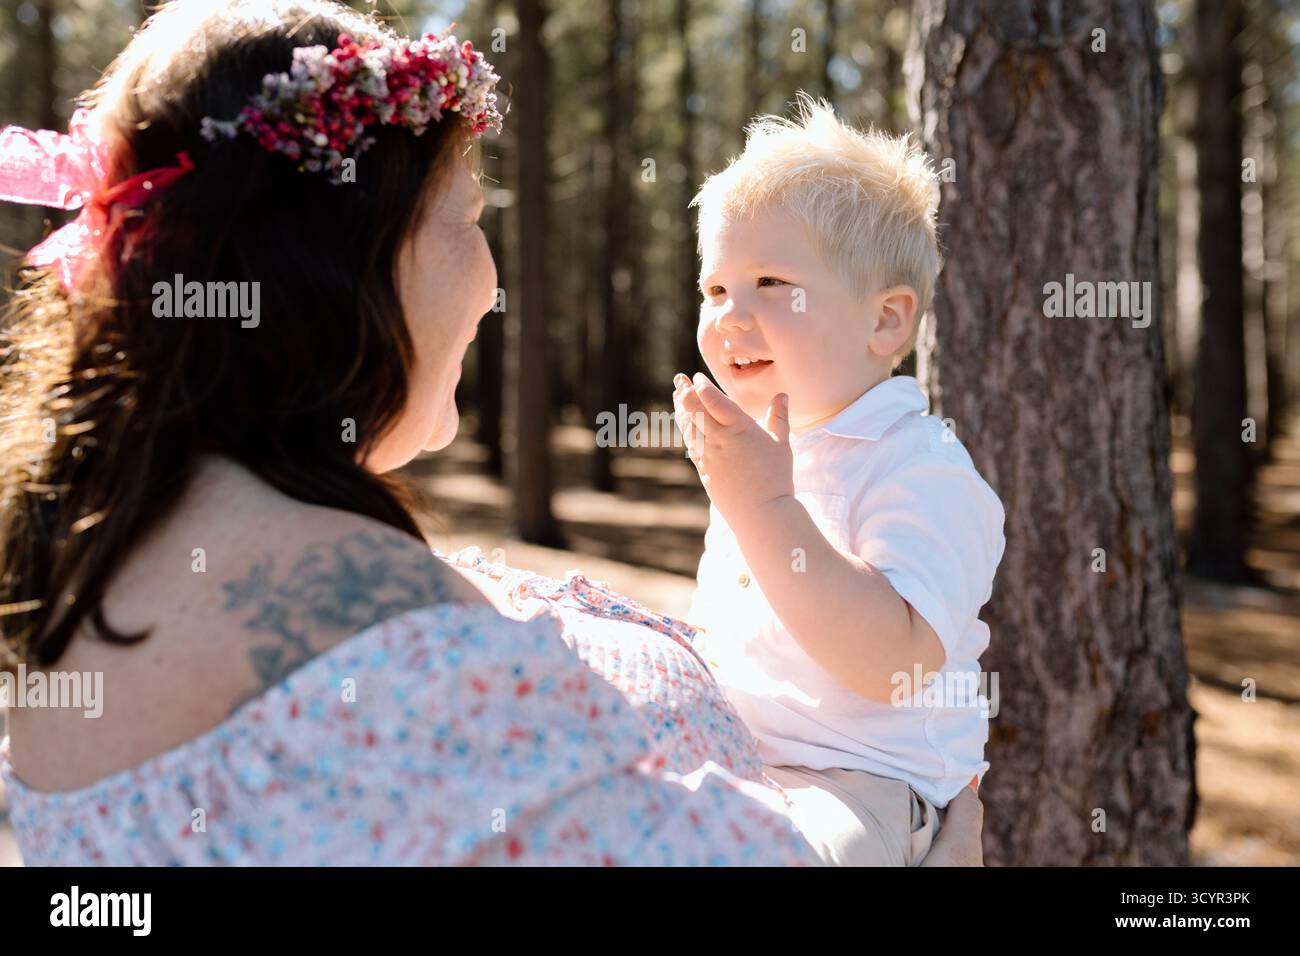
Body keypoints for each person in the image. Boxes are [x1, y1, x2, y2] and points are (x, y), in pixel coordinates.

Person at [0, 0, 982, 866]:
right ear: (353, 258)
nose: (493, 276)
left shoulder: (111, 549)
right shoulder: (378, 642)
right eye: (468, 216)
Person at [674, 97, 1005, 865]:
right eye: (715, 289)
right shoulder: (762, 458)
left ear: (886, 321)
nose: (729, 315)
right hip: (741, 762)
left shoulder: (920, 468)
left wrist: (764, 505)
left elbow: (892, 663)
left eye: (769, 283)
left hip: (864, 789)